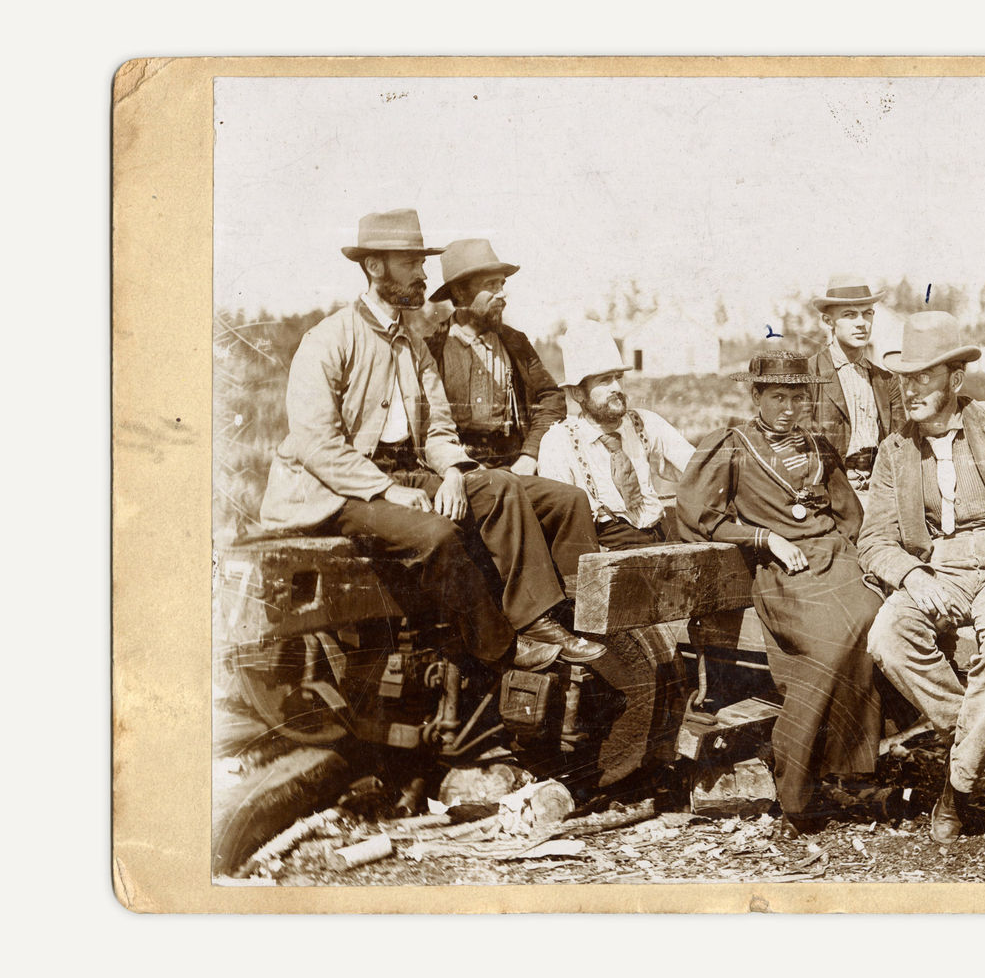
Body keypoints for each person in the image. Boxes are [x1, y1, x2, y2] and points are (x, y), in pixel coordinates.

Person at [257, 209, 604, 669]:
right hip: (335, 492)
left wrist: (455, 471)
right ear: (374, 267)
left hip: (402, 476)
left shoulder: (415, 345)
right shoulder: (328, 340)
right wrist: (387, 490)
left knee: (503, 487)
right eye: (411, 264)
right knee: (438, 534)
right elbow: (316, 444)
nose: (423, 274)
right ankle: (499, 649)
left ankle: (540, 619)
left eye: (423, 263)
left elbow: (439, 428)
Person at [858, 311, 985, 845]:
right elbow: (874, 540)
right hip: (937, 568)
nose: (911, 389)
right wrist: (913, 577)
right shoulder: (894, 450)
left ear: (956, 380)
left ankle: (956, 790)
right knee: (887, 638)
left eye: (926, 376)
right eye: (905, 377)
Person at [676, 351, 883, 834]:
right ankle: (798, 790)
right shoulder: (731, 445)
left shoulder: (818, 445)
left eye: (797, 396)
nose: (789, 407)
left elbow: (848, 512)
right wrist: (764, 537)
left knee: (872, 621)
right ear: (756, 397)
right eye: (778, 397)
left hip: (836, 560)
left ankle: (851, 772)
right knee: (827, 648)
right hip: (782, 570)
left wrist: (870, 560)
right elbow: (695, 514)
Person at [423, 238, 602, 581]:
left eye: (503, 284)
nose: (502, 294)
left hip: (514, 469)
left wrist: (530, 455)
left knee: (572, 501)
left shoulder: (514, 342)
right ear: (459, 294)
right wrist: (453, 469)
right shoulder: (431, 349)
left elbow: (551, 399)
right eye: (491, 285)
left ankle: (581, 614)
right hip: (462, 474)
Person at [538, 321, 696, 550]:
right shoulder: (558, 442)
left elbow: (697, 468)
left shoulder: (645, 422)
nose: (617, 388)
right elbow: (560, 521)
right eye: (604, 381)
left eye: (618, 378)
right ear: (577, 393)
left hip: (660, 536)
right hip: (606, 550)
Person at [803, 275, 905, 497]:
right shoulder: (808, 376)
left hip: (881, 490)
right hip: (831, 492)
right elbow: (800, 448)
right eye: (849, 315)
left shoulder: (886, 380)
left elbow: (901, 445)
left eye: (867, 313)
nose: (861, 323)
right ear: (828, 321)